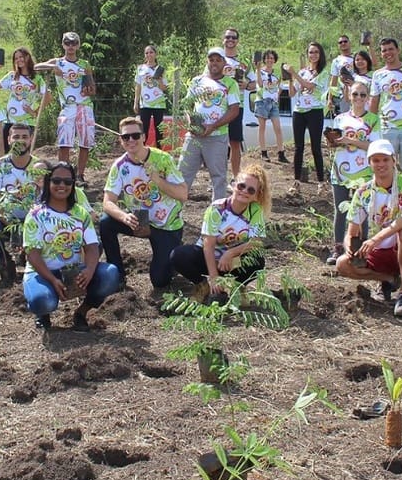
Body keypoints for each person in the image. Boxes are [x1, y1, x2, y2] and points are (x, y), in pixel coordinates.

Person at [22, 161, 123, 332]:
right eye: (56, 181)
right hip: (42, 273)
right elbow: (32, 254)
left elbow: (92, 246)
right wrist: (52, 280)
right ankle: (43, 313)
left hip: (73, 271)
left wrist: (89, 270)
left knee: (110, 274)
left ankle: (81, 313)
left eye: (68, 182)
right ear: (48, 182)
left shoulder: (80, 213)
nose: (62, 185)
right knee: (43, 301)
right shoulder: (36, 215)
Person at [334, 140, 402, 318]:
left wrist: (376, 238)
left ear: (393, 160)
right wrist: (349, 246)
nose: (381, 164)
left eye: (385, 159)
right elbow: (351, 231)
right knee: (342, 264)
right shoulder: (363, 192)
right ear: (369, 163)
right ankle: (389, 279)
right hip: (380, 252)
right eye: (376, 160)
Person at [100, 116, 189, 288]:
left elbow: (183, 194)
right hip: (141, 220)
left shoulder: (163, 159)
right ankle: (117, 275)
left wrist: (157, 180)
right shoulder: (119, 166)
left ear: (143, 137)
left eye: (135, 135)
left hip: (166, 224)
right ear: (121, 140)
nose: (131, 140)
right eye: (126, 137)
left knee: (160, 281)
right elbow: (107, 202)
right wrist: (124, 216)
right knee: (106, 222)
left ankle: (173, 255)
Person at [170, 163, 270, 300]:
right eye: (241, 186)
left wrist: (230, 253)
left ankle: (238, 287)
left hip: (233, 262)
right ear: (234, 185)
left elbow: (256, 242)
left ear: (257, 195)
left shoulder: (255, 211)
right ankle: (202, 285)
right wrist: (213, 277)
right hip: (208, 258)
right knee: (178, 255)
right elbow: (208, 244)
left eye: (251, 190)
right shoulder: (217, 208)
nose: (244, 191)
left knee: (257, 260)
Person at [323, 83, 380, 264]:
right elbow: (334, 143)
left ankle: (360, 251)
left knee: (361, 211)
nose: (358, 98)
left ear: (367, 97)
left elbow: (374, 145)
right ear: (349, 96)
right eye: (355, 94)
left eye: (363, 94)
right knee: (340, 210)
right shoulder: (340, 118)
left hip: (363, 172)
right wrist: (332, 141)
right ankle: (338, 248)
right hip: (340, 170)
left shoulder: (373, 119)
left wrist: (350, 140)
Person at [177, 47, 240, 200]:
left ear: (224, 62)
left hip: (217, 137)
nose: (214, 63)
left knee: (219, 178)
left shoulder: (230, 84)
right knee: (182, 175)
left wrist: (213, 126)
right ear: (207, 62)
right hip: (194, 137)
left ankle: (217, 212)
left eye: (218, 60)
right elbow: (187, 105)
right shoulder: (196, 81)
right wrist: (191, 122)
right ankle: (174, 211)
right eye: (211, 60)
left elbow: (234, 110)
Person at [0, 123, 42, 283]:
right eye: (16, 137)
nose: (20, 141)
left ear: (31, 139)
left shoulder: (39, 166)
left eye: (24, 137)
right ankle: (4, 261)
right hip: (5, 219)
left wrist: (29, 224)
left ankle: (32, 259)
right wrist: (10, 223)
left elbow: (45, 200)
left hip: (35, 220)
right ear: (9, 140)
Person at [36, 32, 97, 184]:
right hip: (67, 107)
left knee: (85, 143)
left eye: (74, 43)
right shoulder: (58, 62)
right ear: (63, 45)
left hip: (84, 106)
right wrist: (53, 67)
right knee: (64, 143)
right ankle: (64, 174)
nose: (71, 46)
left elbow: (92, 88)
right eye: (67, 43)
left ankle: (80, 175)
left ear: (78, 45)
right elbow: (36, 67)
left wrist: (88, 89)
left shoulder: (84, 64)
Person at [369, 38, 402, 178]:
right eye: (384, 50)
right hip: (387, 127)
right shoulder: (378, 75)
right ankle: (388, 192)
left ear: (398, 50)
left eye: (391, 49)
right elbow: (374, 101)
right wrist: (370, 125)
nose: (388, 53)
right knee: (386, 168)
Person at [288, 42, 331, 183]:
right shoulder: (302, 72)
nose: (313, 55)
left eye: (316, 52)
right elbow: (292, 93)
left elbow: (309, 85)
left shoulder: (323, 73)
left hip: (315, 111)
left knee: (315, 148)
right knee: (298, 147)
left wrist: (294, 73)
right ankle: (296, 181)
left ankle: (321, 182)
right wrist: (290, 78)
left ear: (321, 54)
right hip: (299, 111)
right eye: (311, 52)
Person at [0, 47, 49, 150]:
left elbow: (48, 97)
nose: (18, 60)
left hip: (26, 122)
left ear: (27, 57)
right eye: (16, 58)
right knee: (4, 150)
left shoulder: (36, 78)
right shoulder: (12, 76)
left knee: (20, 152)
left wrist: (35, 112)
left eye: (21, 57)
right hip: (9, 120)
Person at [220, 29, 254, 177]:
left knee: (235, 142)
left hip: (236, 106)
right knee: (218, 143)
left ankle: (235, 178)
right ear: (223, 39)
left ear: (237, 41)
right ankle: (218, 178)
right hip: (218, 105)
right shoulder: (216, 58)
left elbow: (255, 84)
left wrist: (246, 85)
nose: (230, 40)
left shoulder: (244, 61)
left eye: (233, 37)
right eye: (228, 37)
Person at [133, 45, 169, 148]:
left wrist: (159, 80)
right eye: (146, 53)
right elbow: (138, 86)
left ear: (155, 54)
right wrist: (136, 102)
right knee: (144, 129)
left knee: (159, 130)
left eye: (151, 52)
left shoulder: (161, 69)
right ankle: (141, 151)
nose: (149, 55)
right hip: (145, 104)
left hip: (159, 103)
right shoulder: (140, 69)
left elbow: (164, 88)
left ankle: (160, 152)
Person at [254, 50, 287, 164]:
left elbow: (281, 86)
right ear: (264, 59)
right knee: (262, 127)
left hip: (273, 102)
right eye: (267, 58)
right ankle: (263, 152)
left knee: (278, 128)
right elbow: (259, 84)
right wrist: (258, 69)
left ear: (274, 60)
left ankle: (281, 153)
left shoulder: (277, 73)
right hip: (262, 101)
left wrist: (277, 95)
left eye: (272, 58)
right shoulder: (260, 71)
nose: (270, 60)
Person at [329, 35, 357, 112]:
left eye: (345, 41)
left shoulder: (357, 58)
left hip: (359, 92)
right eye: (340, 42)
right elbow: (333, 81)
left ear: (349, 43)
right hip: (345, 95)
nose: (343, 43)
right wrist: (330, 99)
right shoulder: (336, 61)